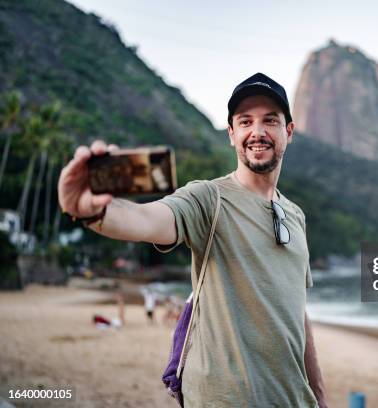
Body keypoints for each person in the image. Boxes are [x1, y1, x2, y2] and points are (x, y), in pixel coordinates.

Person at [58, 73, 328, 407]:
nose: (257, 132)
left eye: (269, 121)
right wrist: (86, 210)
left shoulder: (296, 216)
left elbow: (297, 311)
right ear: (231, 134)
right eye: (245, 122)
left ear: (288, 131)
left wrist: (319, 395)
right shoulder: (208, 198)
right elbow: (147, 219)